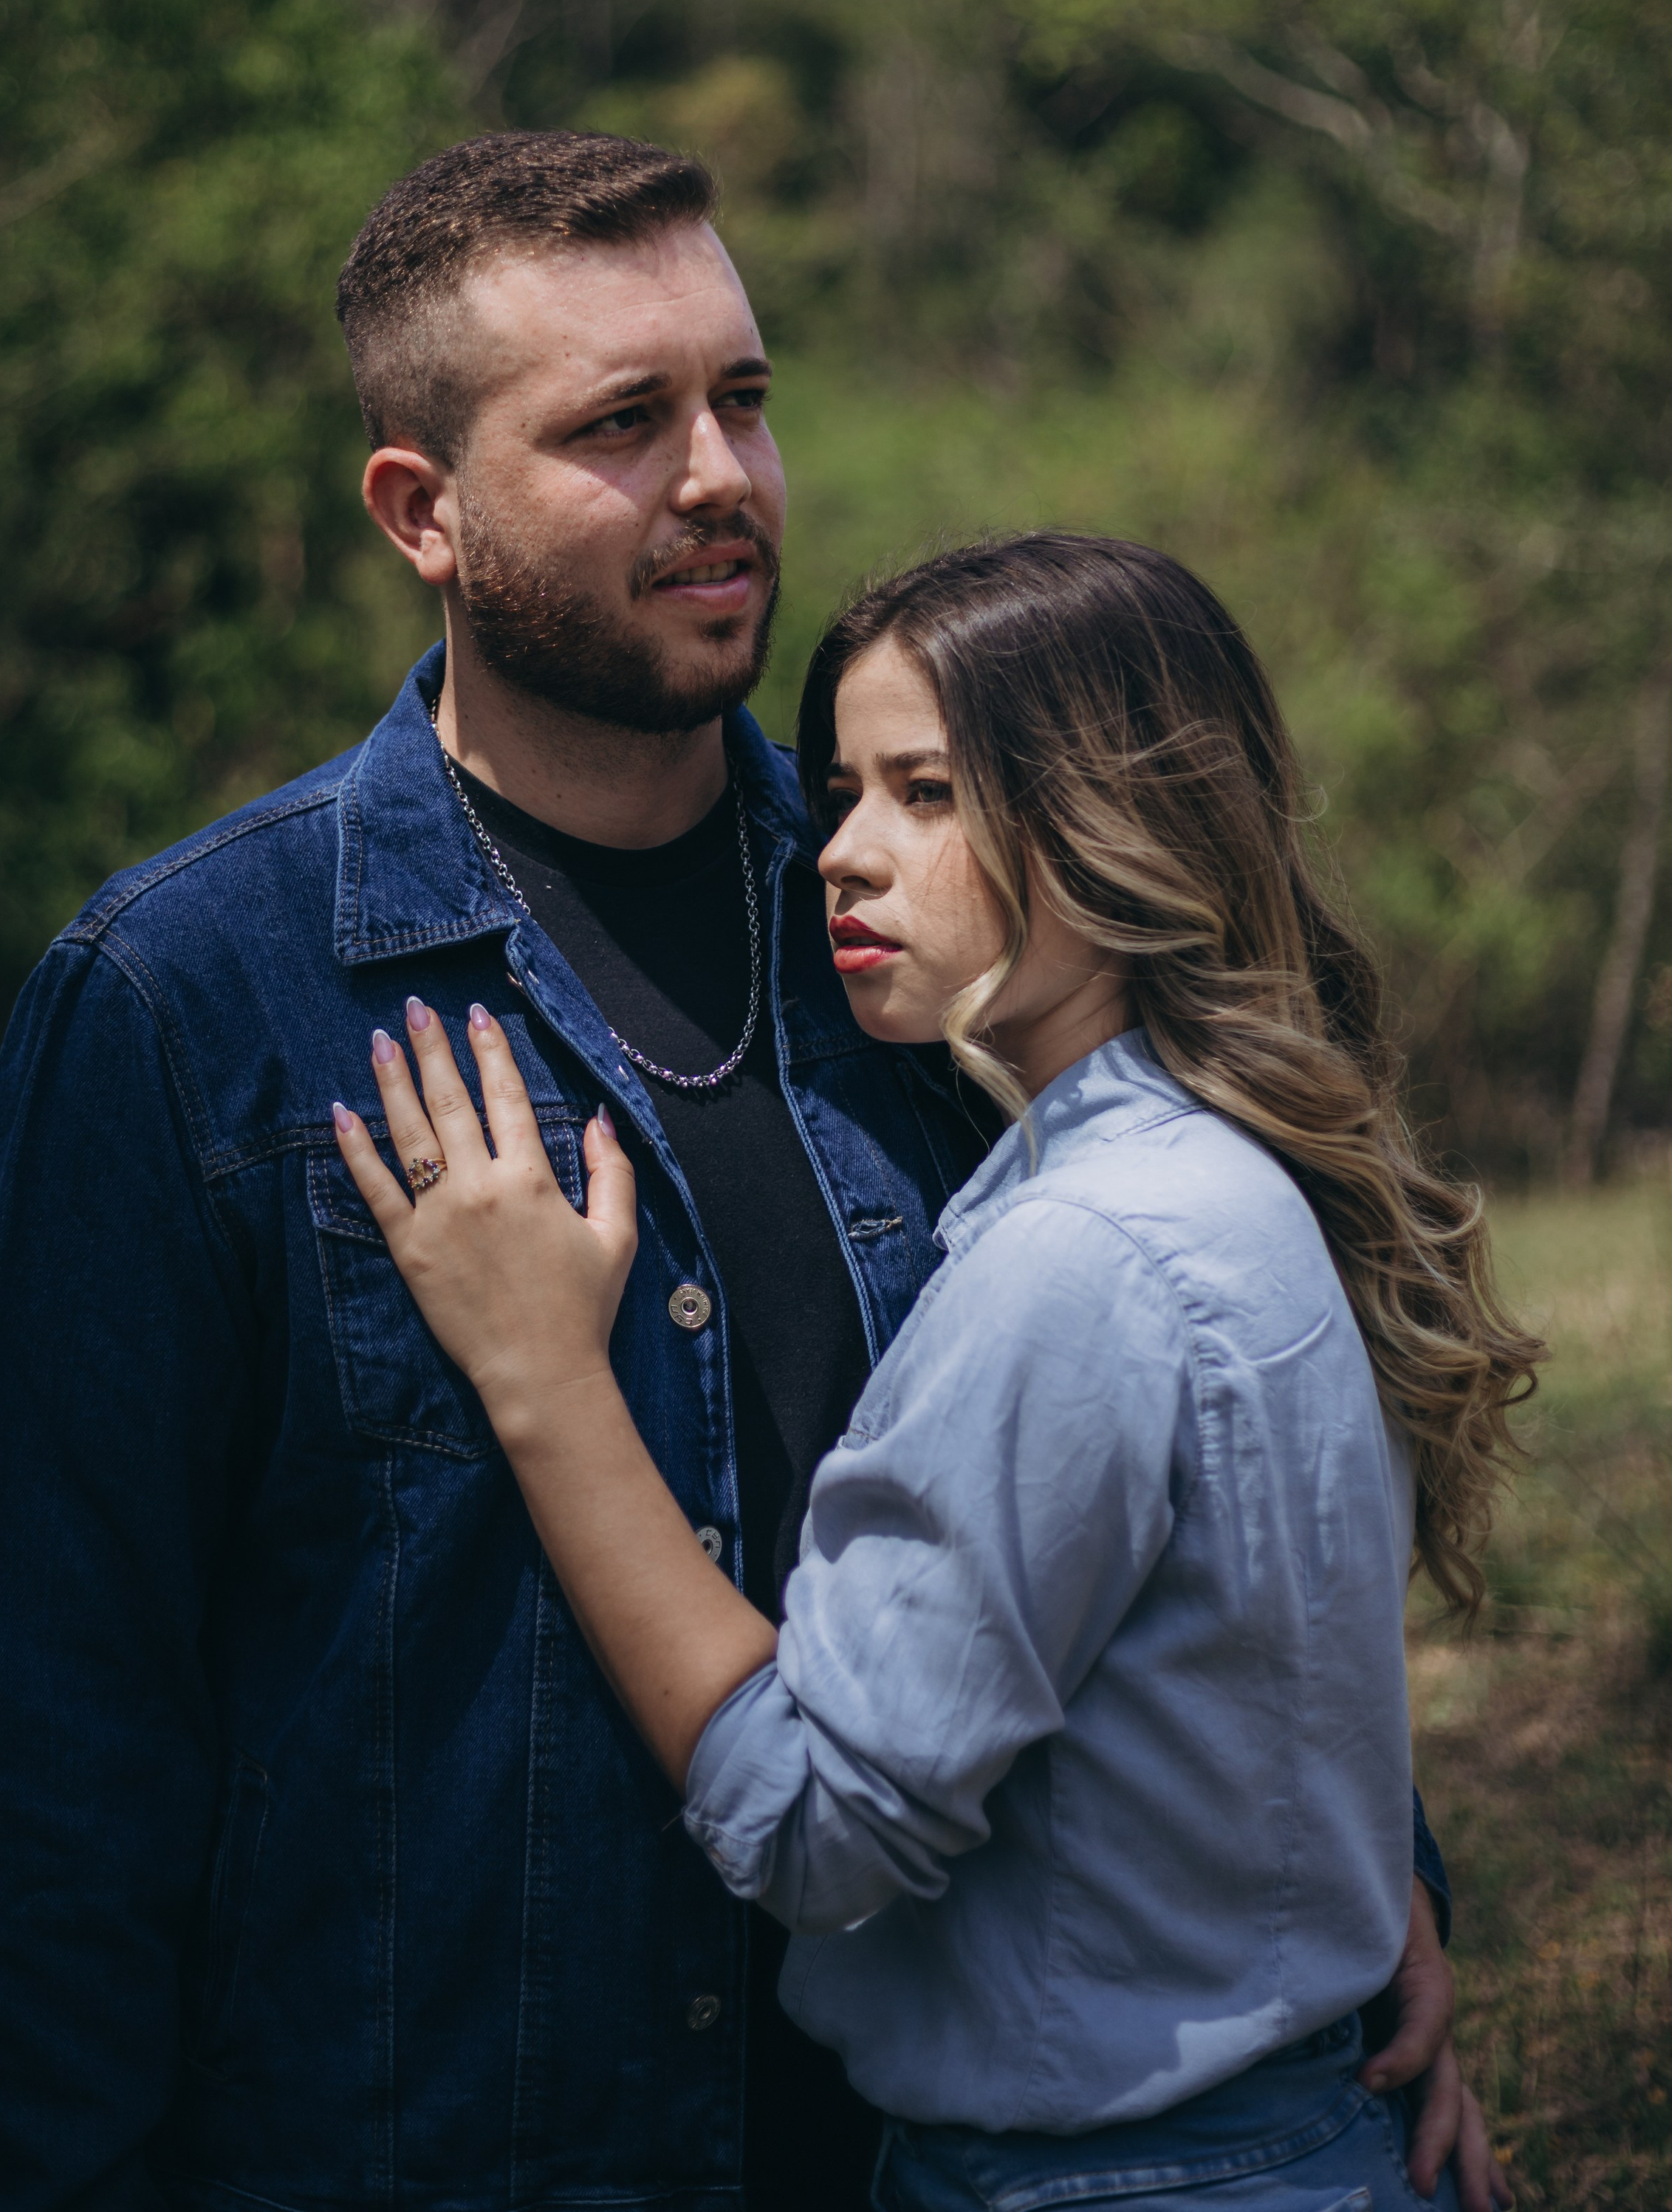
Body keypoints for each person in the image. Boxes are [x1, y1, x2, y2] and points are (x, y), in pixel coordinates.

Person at [0, 135, 1478, 2211]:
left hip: (902, 2155)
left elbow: (1170, 1504)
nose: (722, 476)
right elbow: (64, 1756)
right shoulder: (191, 1004)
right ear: (425, 513)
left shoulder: (932, 945)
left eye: (742, 396)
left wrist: (1373, 1898)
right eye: (621, 426)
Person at [329, 533, 1541, 2212]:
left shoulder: (1082, 1259)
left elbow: (814, 1825)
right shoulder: (1230, 1176)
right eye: (837, 793)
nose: (839, 854)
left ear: (1122, 821)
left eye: (925, 793)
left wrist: (545, 1383)